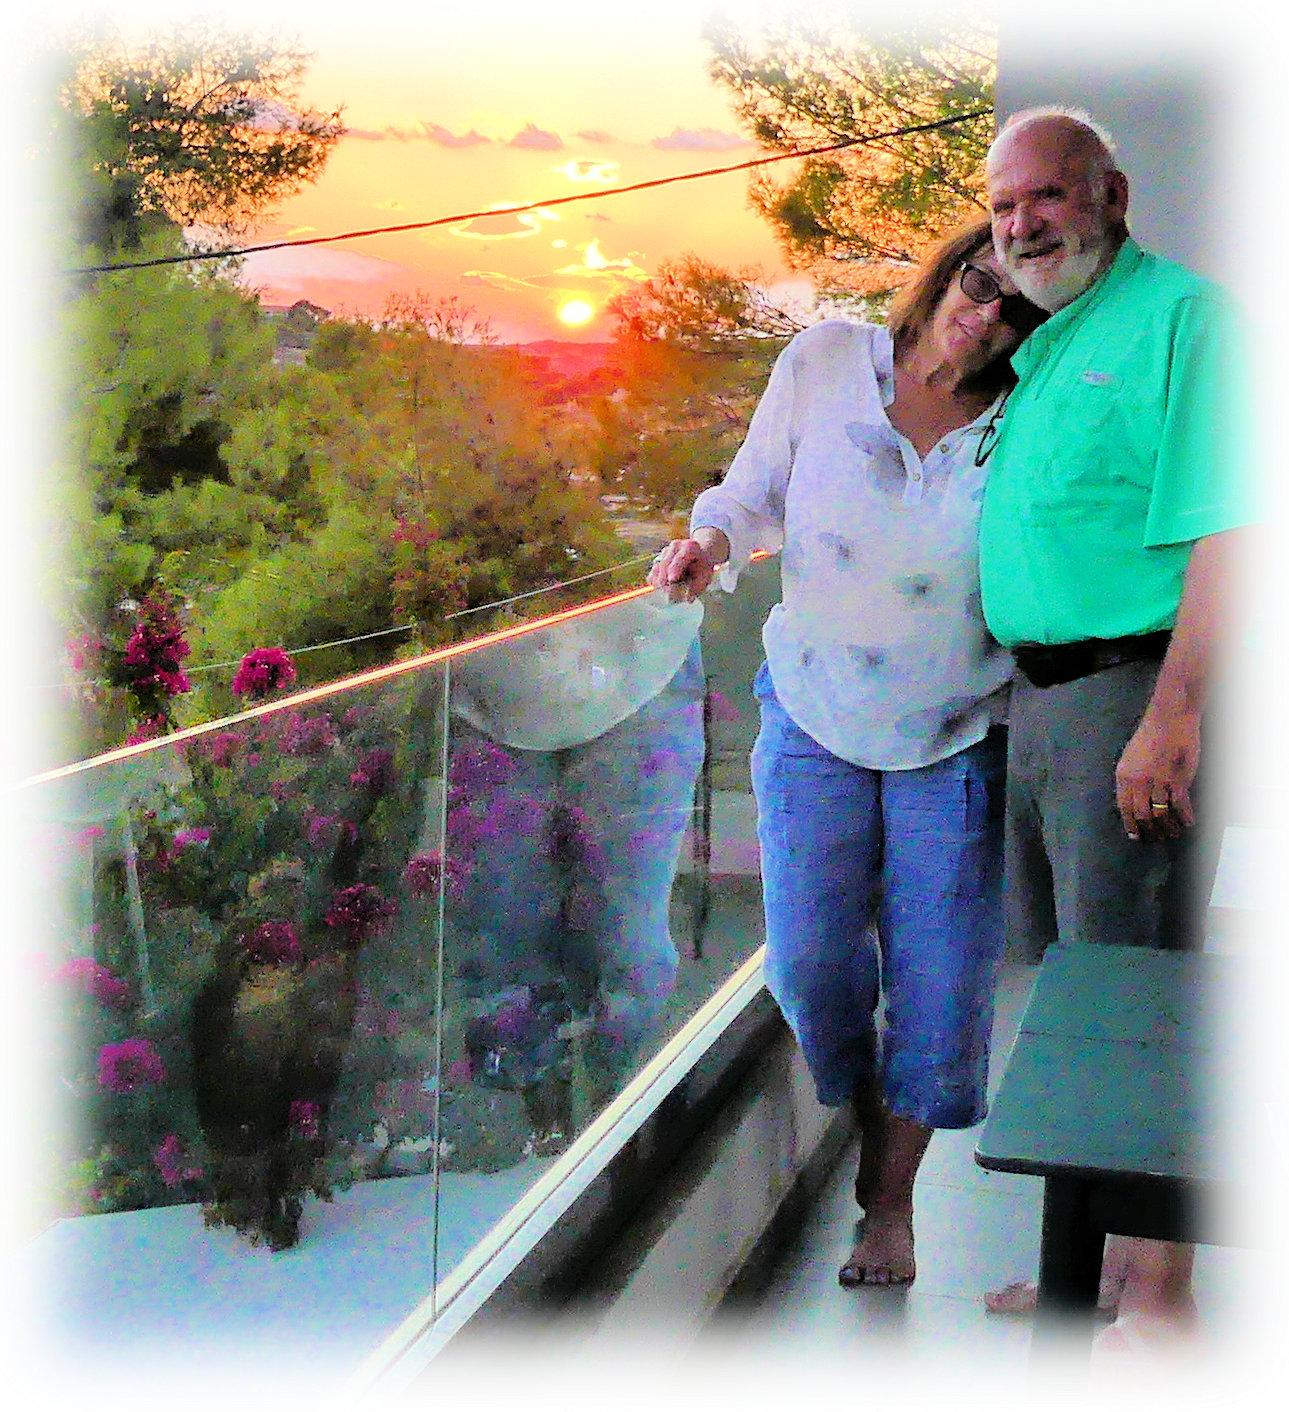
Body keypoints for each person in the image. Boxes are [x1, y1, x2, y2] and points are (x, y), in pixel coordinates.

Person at [649, 217, 1045, 1287]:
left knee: (938, 989)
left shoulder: (1024, 416)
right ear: (949, 268)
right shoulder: (825, 361)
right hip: (812, 714)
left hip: (957, 731)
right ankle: (869, 1123)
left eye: (1017, 310)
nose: (986, 315)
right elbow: (750, 494)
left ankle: (890, 1199)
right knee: (812, 966)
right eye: (980, 282)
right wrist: (706, 545)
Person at [978, 106, 1245, 1351]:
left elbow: (1232, 528)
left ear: (1109, 194)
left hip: (1127, 696)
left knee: (1138, 997)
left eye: (1044, 195)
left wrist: (1170, 714)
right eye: (1001, 206)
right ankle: (1097, 1267)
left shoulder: (1184, 319)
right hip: (1039, 702)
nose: (1020, 223)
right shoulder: (1052, 338)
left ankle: (1160, 1293)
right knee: (1078, 1000)